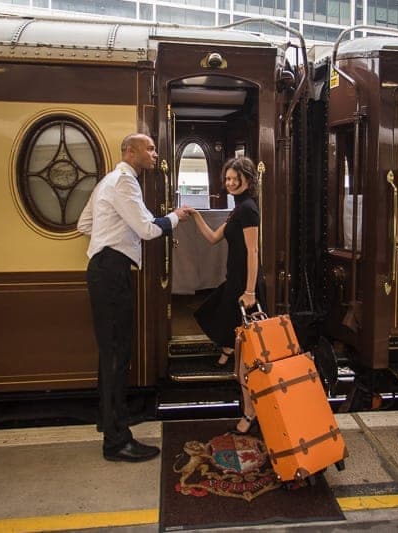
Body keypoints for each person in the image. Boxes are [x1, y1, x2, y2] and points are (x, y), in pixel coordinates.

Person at [77, 133, 190, 462]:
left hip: (102, 269)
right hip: (112, 272)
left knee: (110, 353)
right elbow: (147, 230)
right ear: (131, 151)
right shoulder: (126, 182)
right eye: (150, 149)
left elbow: (85, 223)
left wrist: (109, 233)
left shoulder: (107, 182)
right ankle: (116, 442)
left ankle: (108, 421)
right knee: (117, 354)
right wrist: (175, 218)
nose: (155, 154)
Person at [184, 156, 263, 435]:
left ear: (247, 181)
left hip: (245, 289)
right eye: (227, 179)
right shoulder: (237, 209)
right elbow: (213, 238)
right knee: (209, 314)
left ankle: (250, 413)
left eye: (234, 179)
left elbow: (253, 252)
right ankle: (228, 347)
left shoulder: (248, 210)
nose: (229, 183)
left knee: (247, 359)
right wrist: (195, 216)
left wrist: (250, 291)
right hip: (235, 285)